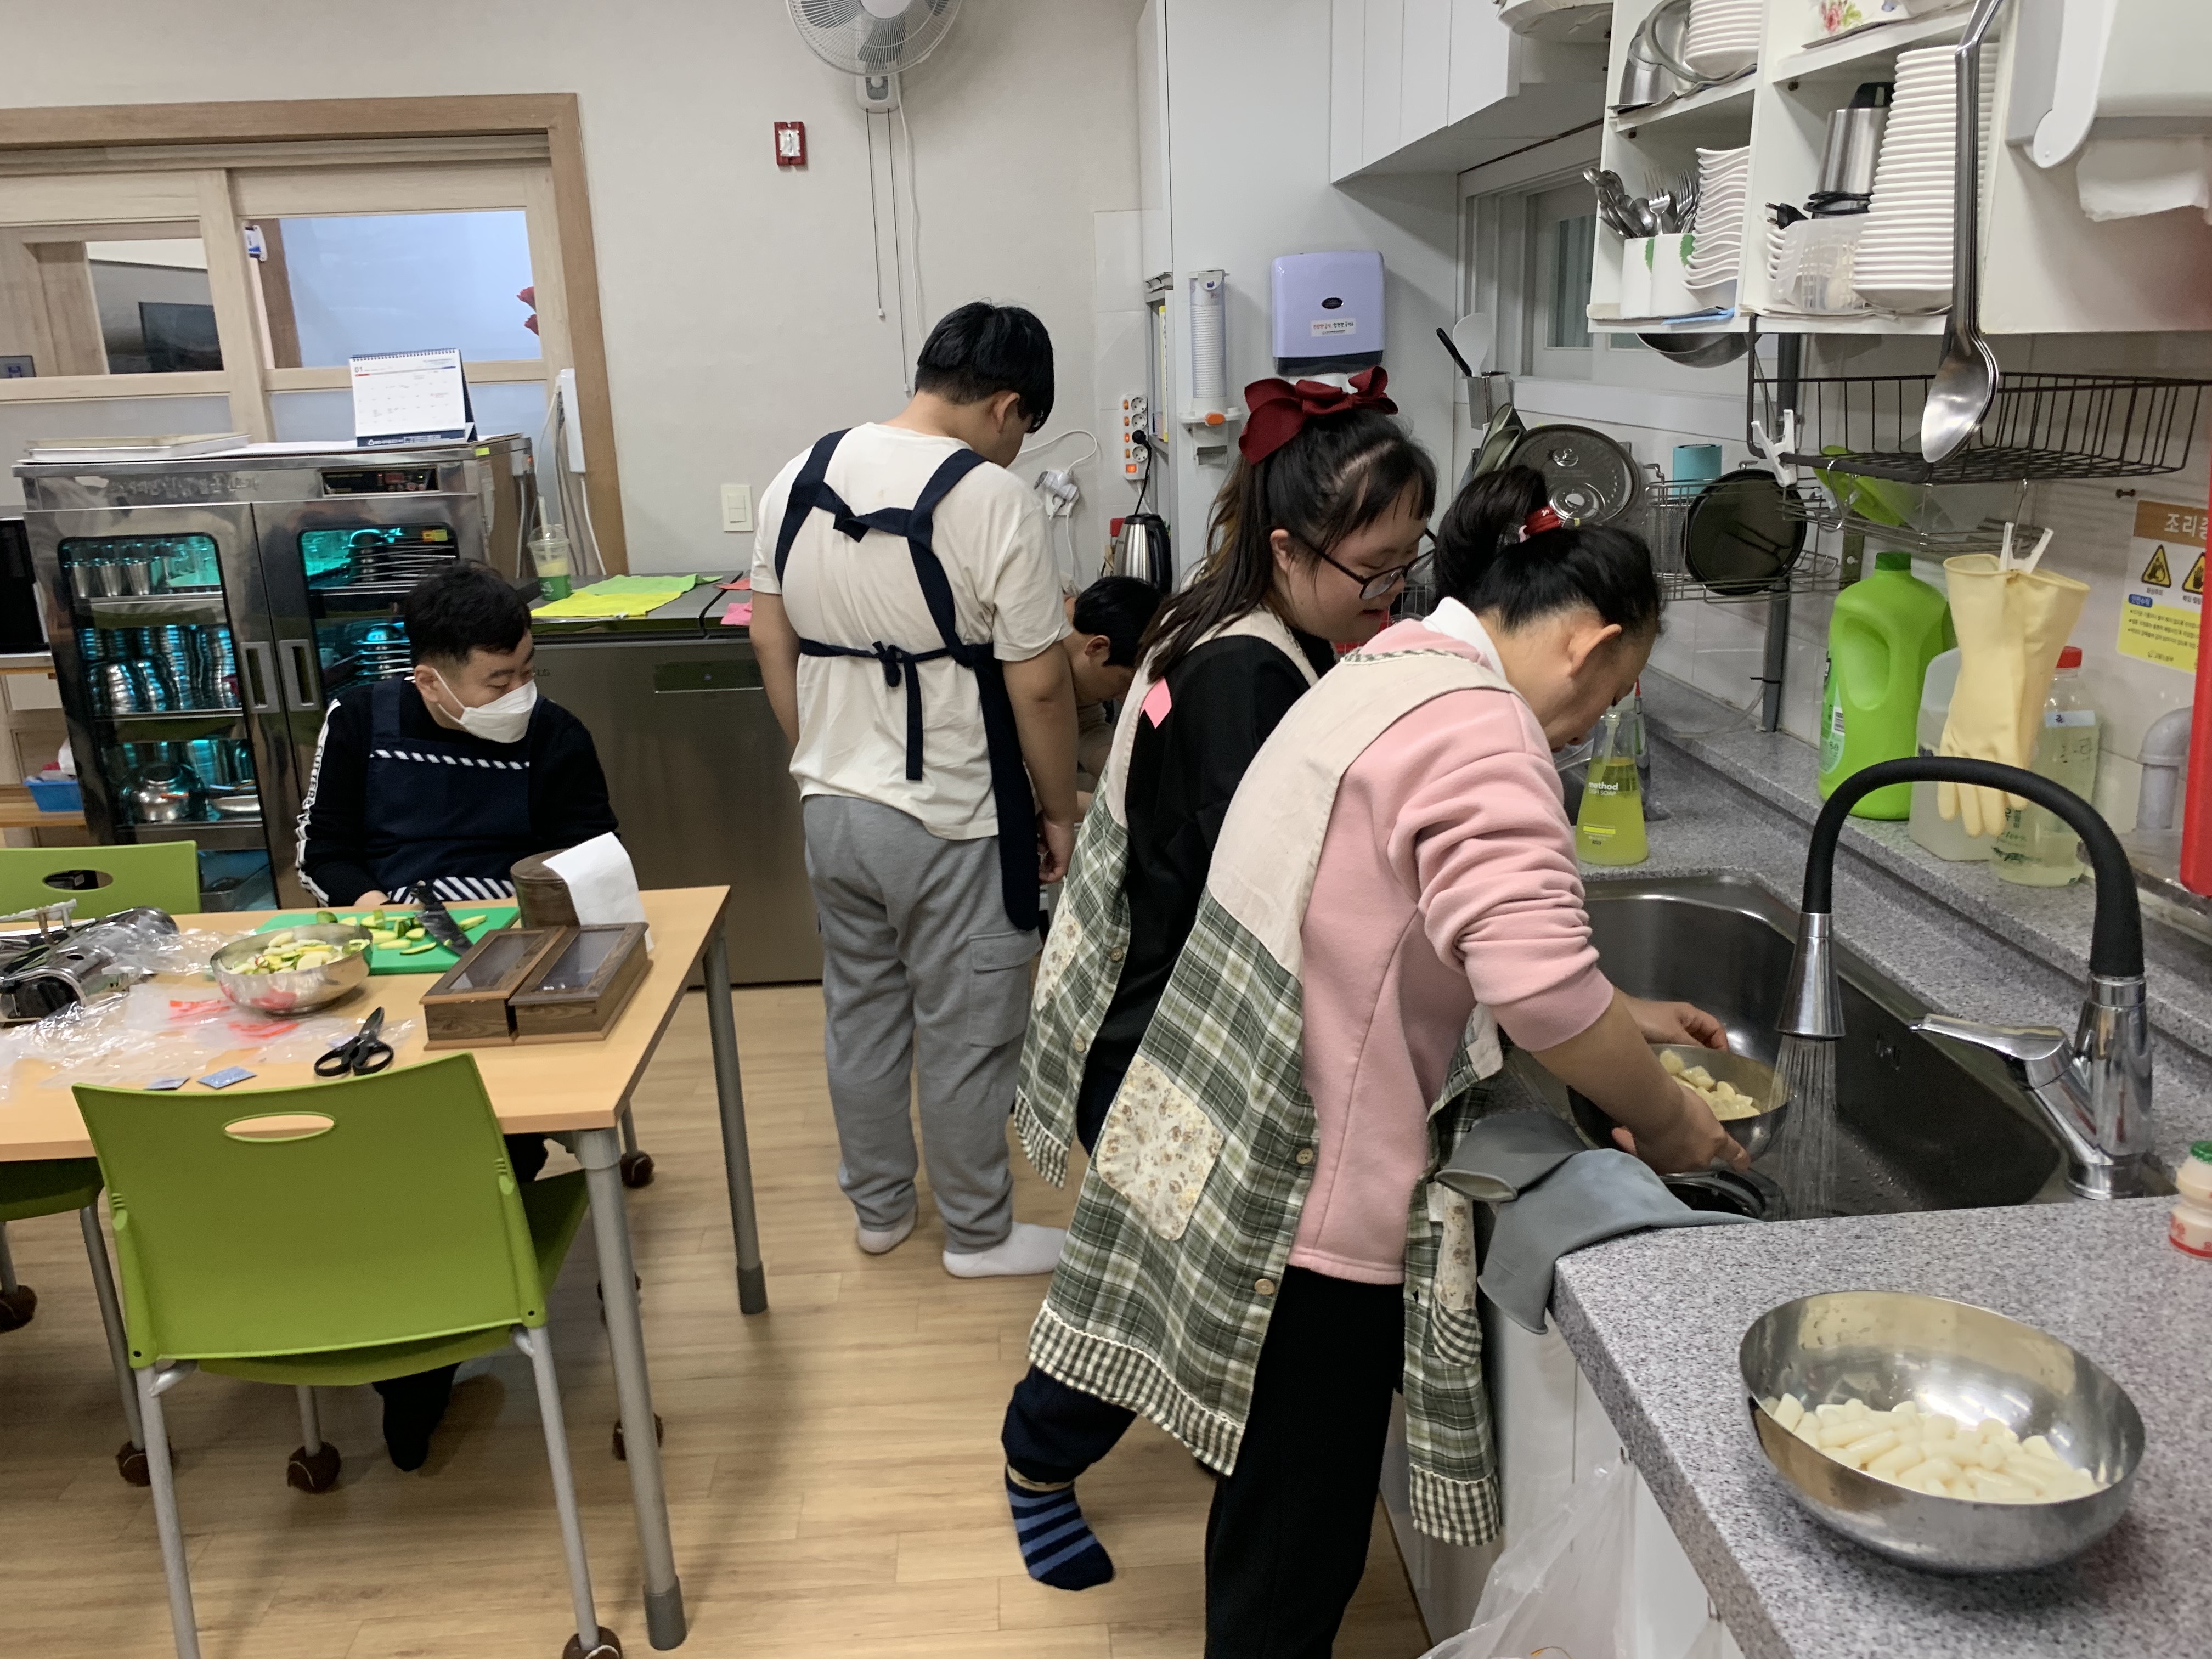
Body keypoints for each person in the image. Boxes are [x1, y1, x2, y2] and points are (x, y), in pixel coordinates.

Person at [1027, 464, 1745, 1657]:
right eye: (1616, 689)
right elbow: (1536, 986)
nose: (1595, 722)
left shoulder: (1394, 667)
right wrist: (1672, 1123)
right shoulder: (1482, 730)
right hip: (1319, 1195)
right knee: (1295, 1544)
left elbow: (1409, 917)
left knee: (1271, 1507)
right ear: (1591, 645)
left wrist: (1621, 1010)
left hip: (1248, 1143)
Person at [1003, 368, 1432, 1592]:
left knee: (1170, 1279)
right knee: (1146, 1291)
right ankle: (1035, 1459)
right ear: (1289, 546)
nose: (1391, 591)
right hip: (1169, 1052)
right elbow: (1263, 896)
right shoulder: (1249, 674)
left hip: (1140, 1019)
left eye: (1405, 562)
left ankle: (1171, 1424)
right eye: (1374, 569)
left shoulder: (1221, 613)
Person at [749, 301, 1079, 1279]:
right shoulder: (994, 500)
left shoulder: (798, 475)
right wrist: (1059, 809)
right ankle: (978, 1233)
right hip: (951, 818)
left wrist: (820, 755)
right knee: (969, 1031)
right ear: (1008, 406)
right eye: (1025, 428)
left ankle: (881, 1210)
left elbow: (769, 637)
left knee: (860, 1013)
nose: (1016, 448)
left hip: (832, 810)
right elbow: (1041, 684)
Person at [296, 561, 619, 1470]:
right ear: (430, 681)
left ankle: (423, 1362)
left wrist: (528, 915)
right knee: (368, 1129)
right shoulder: (361, 722)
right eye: (498, 679)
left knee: (474, 1138)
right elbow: (323, 848)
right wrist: (375, 910)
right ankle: (396, 1322)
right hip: (386, 963)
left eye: (527, 670)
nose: (520, 694)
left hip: (514, 964)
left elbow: (593, 860)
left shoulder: (555, 735)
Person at [1060, 574, 1165, 799]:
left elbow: (1088, 727)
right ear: (1097, 647)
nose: (1126, 699)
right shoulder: (1025, 649)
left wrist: (1130, 779)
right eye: (1126, 683)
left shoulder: (1078, 656)